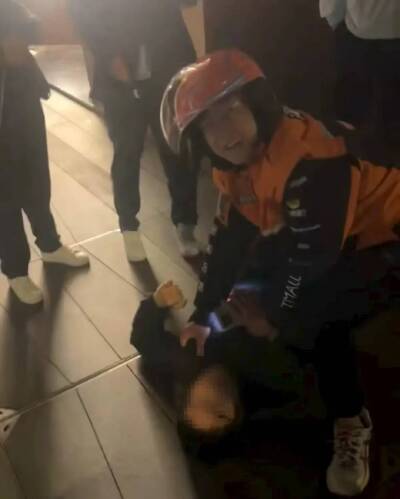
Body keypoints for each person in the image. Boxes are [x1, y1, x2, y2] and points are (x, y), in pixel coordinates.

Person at [160, 49, 400, 496]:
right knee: (263, 283)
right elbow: (228, 239)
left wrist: (272, 314)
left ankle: (351, 419)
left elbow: (309, 265)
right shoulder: (238, 165)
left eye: (230, 110)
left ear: (257, 103)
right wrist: (202, 312)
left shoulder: (309, 163)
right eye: (208, 124)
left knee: (316, 311)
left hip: (386, 234)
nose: (223, 132)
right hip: (337, 232)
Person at [69, 0, 201, 261]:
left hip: (167, 67)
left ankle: (185, 224)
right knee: (126, 153)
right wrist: (109, 54)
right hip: (118, 76)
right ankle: (129, 226)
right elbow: (81, 11)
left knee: (178, 150)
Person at [131, 281, 309, 442]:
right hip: (284, 293)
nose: (216, 397)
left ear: (187, 391)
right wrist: (269, 331)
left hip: (224, 280)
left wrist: (158, 301)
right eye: (221, 415)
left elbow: (143, 339)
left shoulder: (188, 357)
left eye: (202, 402)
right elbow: (301, 371)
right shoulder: (263, 377)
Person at [0, 0, 89, 306]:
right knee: (4, 199)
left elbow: (30, 26)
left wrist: (16, 39)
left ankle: (50, 245)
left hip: (21, 97)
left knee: (37, 181)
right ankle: (16, 271)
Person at [320, 0, 400, 138]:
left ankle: (346, 135)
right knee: (392, 101)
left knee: (350, 104)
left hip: (358, 28)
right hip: (388, 29)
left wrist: (334, 18)